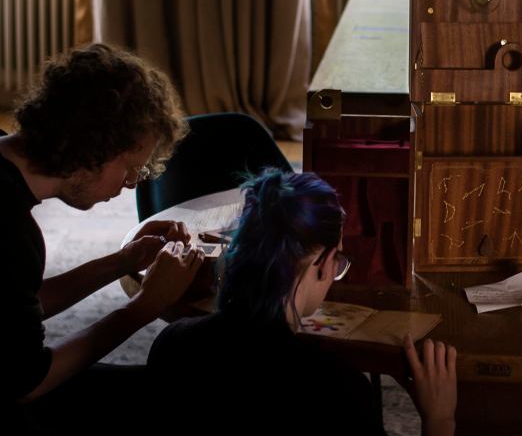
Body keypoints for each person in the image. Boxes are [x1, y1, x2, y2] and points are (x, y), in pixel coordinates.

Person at [148, 168, 458, 436]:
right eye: (337, 258)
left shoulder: (172, 345)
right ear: (321, 265)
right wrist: (439, 419)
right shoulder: (338, 390)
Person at [0, 43, 202, 432]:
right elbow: (27, 381)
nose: (130, 184)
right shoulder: (10, 229)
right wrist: (143, 308)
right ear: (92, 150)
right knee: (174, 401)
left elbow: (15, 304)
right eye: (130, 168)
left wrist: (121, 261)